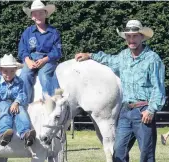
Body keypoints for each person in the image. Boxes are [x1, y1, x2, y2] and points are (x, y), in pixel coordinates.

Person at [75, 20, 166, 162]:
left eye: (135, 36)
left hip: (143, 111)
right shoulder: (123, 56)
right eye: (128, 36)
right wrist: (90, 55)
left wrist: (151, 110)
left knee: (146, 156)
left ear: (142, 37)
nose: (131, 40)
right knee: (118, 153)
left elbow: (158, 88)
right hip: (125, 112)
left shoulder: (153, 59)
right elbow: (108, 59)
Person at [0, 54, 36, 147]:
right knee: (4, 108)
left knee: (21, 112)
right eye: (5, 71)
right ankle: (5, 132)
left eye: (12, 71)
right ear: (1, 70)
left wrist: (17, 102)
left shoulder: (20, 81)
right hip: (2, 103)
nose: (9, 74)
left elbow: (23, 94)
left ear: (16, 70)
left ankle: (26, 133)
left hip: (16, 104)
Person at [18, 0, 62, 103]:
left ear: (46, 14)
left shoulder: (54, 32)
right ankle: (23, 103)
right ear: (32, 16)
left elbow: (57, 51)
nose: (38, 16)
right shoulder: (27, 32)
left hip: (47, 60)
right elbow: (22, 49)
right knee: (24, 74)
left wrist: (45, 60)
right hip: (31, 59)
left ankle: (51, 102)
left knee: (44, 75)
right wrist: (27, 60)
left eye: (41, 13)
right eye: (35, 14)